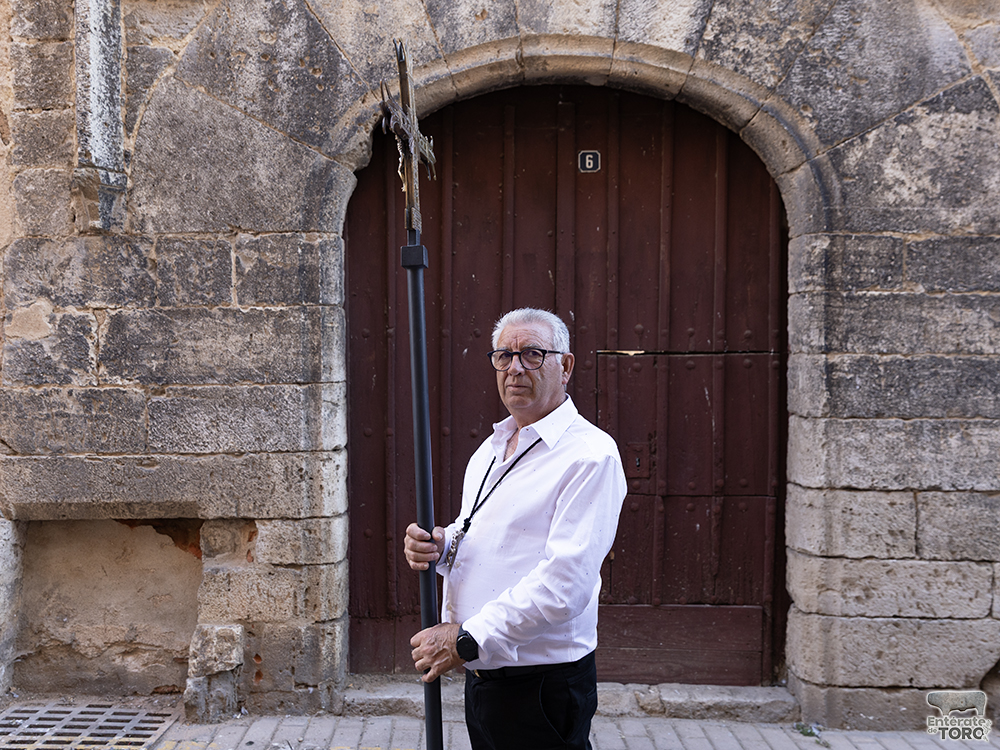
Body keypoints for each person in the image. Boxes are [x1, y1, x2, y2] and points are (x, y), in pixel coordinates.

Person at [404, 307, 627, 750]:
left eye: (532, 354)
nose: (515, 368)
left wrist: (468, 639)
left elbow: (565, 583)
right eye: (504, 356)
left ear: (564, 366)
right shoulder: (491, 449)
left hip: (540, 685)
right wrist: (443, 545)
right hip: (488, 676)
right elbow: (497, 540)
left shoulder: (589, 456)